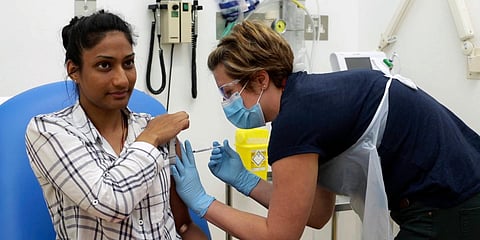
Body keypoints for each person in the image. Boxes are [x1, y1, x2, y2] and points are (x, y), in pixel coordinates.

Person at [171, 20, 480, 240]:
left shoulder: (296, 122)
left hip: (451, 206)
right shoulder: (306, 100)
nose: (226, 104)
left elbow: (279, 235)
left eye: (228, 92)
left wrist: (202, 202)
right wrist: (244, 180)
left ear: (261, 79)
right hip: (458, 196)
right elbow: (318, 214)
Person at [25, 10, 207, 240]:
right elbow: (110, 203)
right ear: (74, 70)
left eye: (128, 63)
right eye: (104, 65)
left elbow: (184, 226)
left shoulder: (157, 130)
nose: (122, 79)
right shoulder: (48, 131)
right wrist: (149, 139)